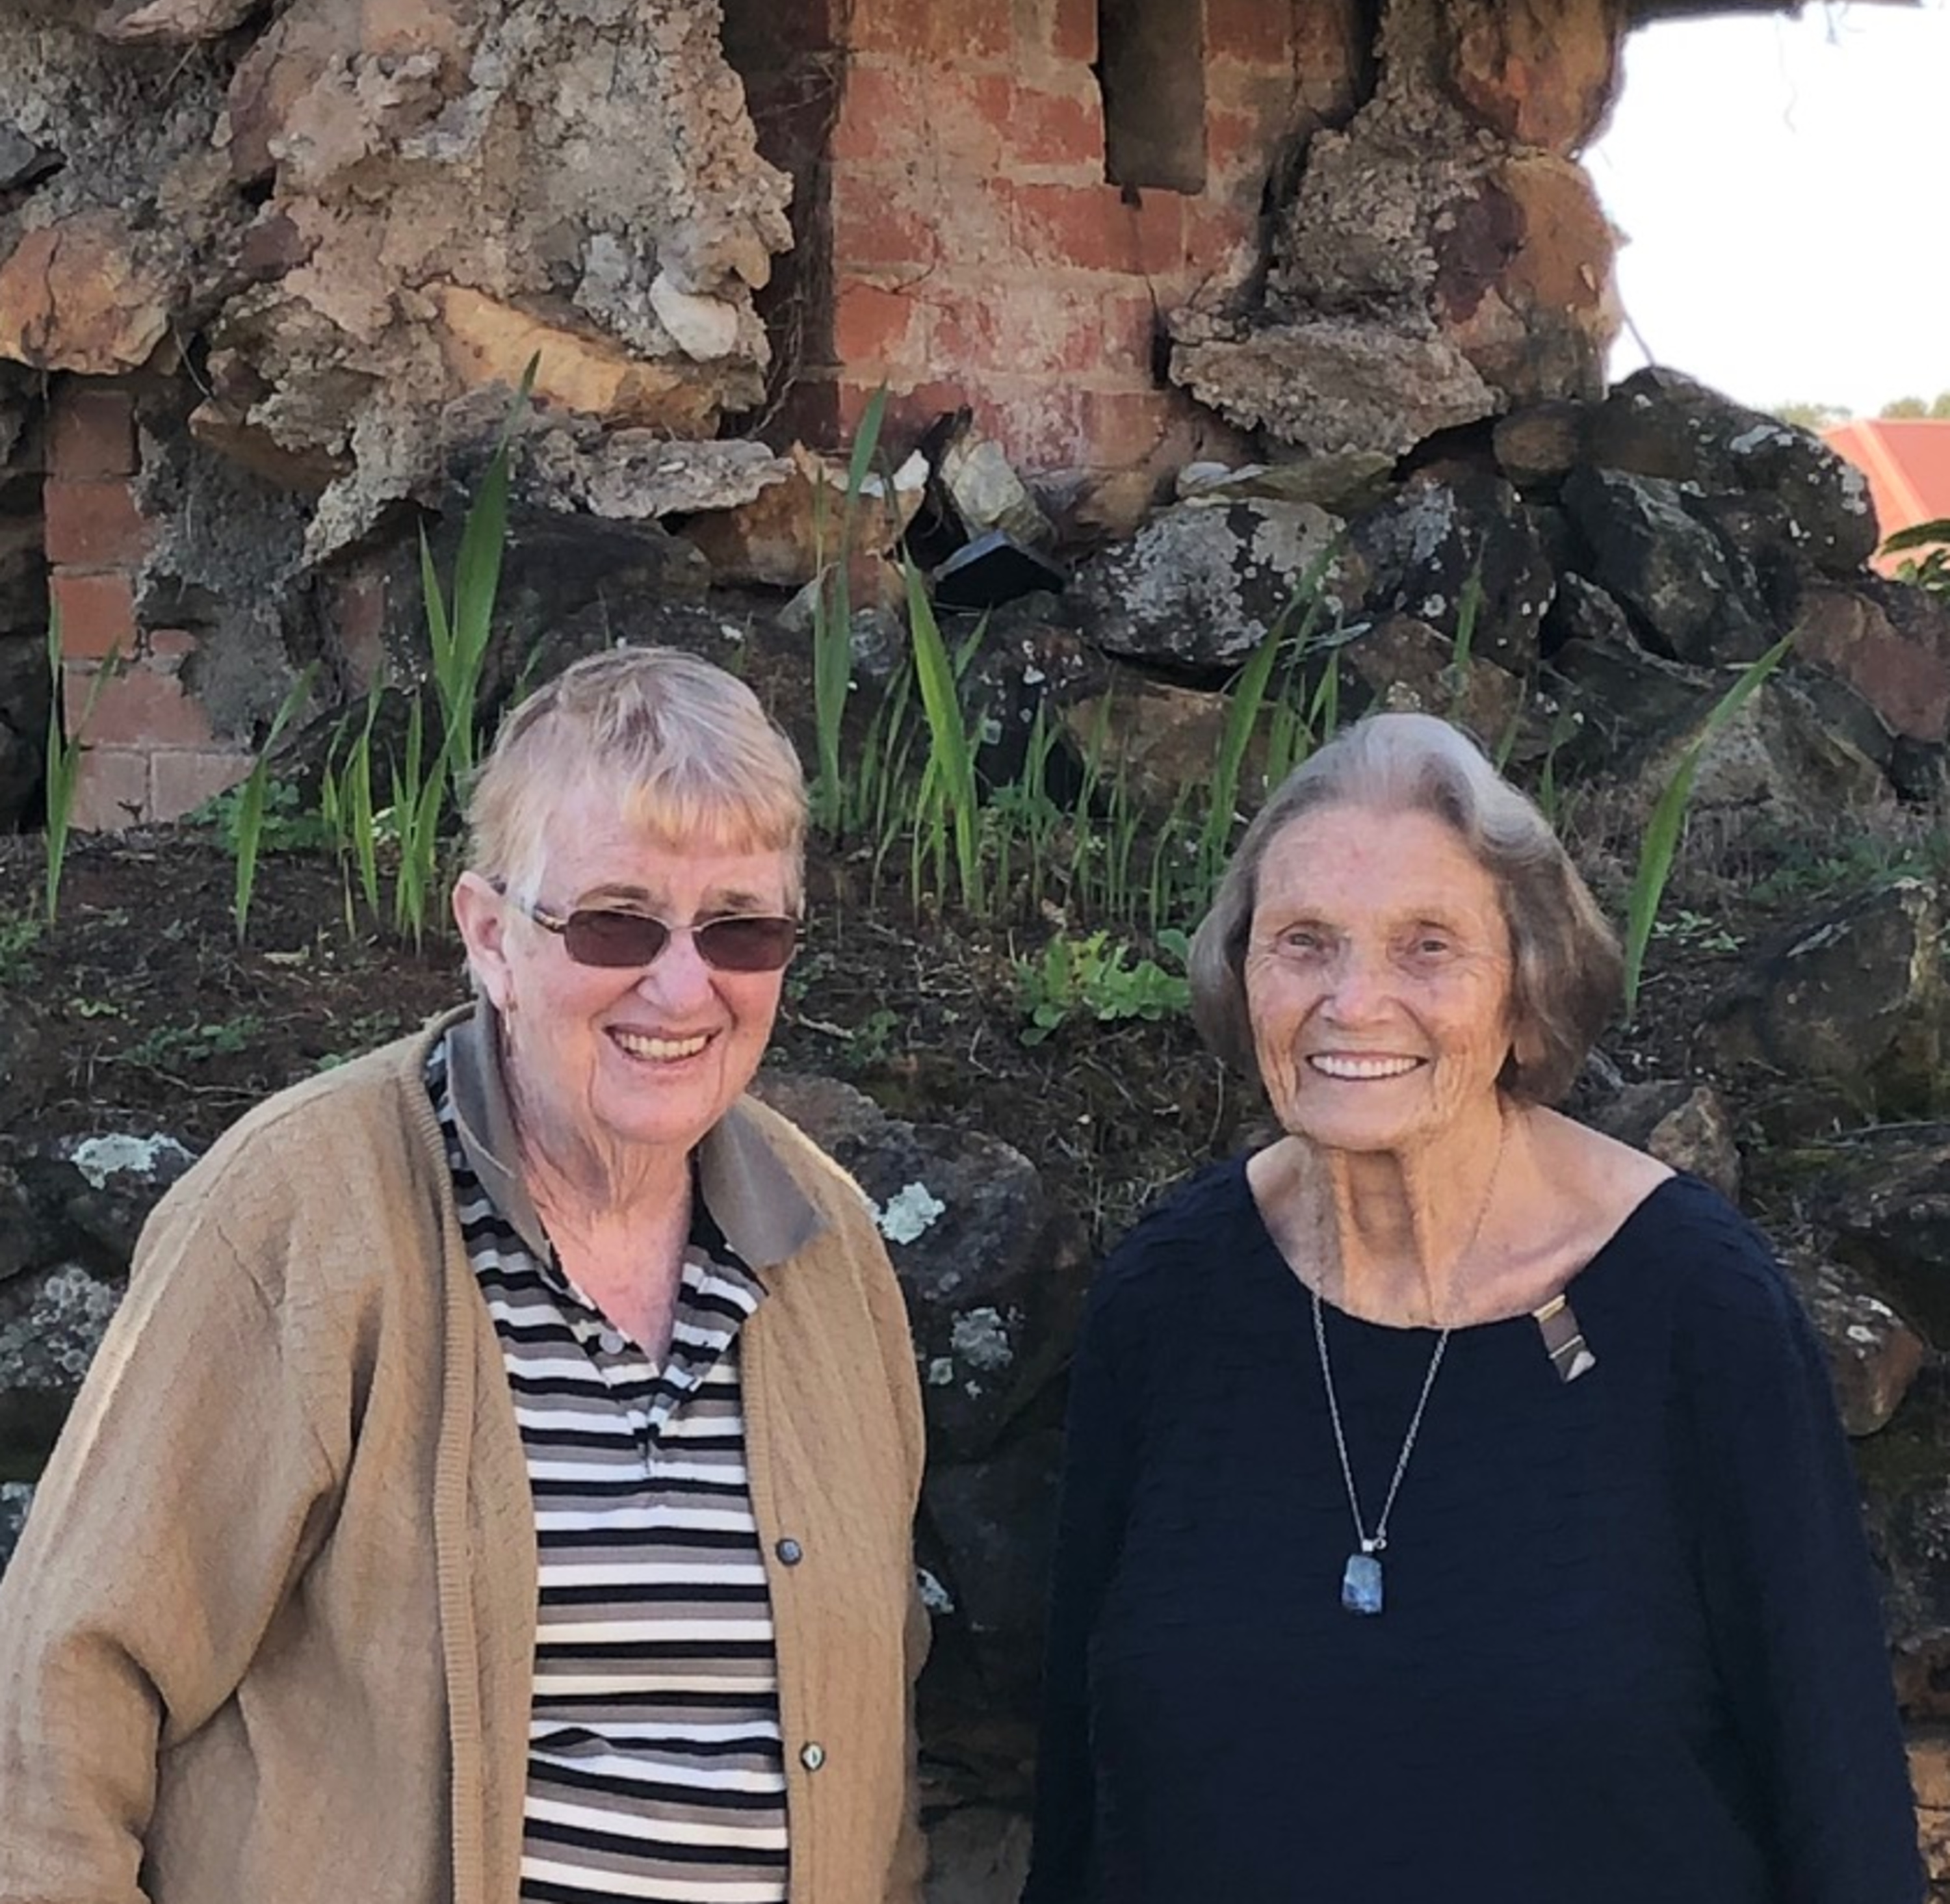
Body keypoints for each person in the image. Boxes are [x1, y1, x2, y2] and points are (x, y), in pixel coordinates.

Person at [0, 646, 928, 1904]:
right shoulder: (304, 1215)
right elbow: (56, 1699)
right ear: (489, 936)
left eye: (741, 929)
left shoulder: (830, 1252)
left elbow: (880, 1762)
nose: (682, 984)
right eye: (617, 921)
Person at [1020, 711, 1920, 1904]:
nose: (1353, 1002)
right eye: (1304, 942)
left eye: (1427, 946)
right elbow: (1082, 1810)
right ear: (1242, 977)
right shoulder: (1168, 1304)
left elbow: (1843, 1813)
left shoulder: (1694, 1311)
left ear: (1527, 988)